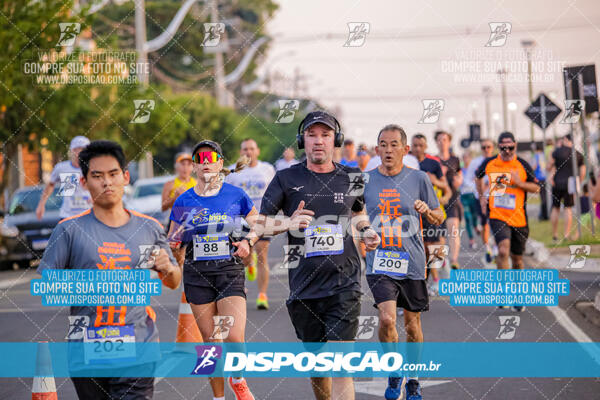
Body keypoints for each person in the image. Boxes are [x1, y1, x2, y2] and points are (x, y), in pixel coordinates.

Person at [38, 140, 182, 399]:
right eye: (97, 176)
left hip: (139, 345)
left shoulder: (148, 228)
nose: (107, 182)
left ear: (125, 177)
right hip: (86, 350)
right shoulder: (68, 230)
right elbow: (48, 285)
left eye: (113, 174)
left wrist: (168, 268)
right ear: (84, 183)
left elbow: (173, 282)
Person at [256, 111, 380, 400]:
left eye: (325, 135)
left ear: (335, 140)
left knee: (340, 365)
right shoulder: (285, 179)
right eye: (312, 135)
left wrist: (366, 231)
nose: (319, 141)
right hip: (304, 287)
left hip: (345, 283)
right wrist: (288, 222)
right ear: (303, 140)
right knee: (318, 366)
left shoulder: (352, 177)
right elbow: (259, 223)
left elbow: (358, 212)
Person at [168, 140, 256, 400]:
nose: (206, 161)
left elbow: (256, 222)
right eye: (200, 158)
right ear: (194, 166)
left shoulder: (236, 195)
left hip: (229, 270)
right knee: (210, 344)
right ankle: (218, 398)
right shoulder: (184, 200)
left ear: (220, 163)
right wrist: (175, 245)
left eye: (211, 157)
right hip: (198, 275)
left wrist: (247, 241)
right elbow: (174, 241)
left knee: (234, 336)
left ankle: (238, 379)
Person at [364, 125, 444, 400]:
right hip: (379, 261)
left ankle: (413, 378)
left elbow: (439, 215)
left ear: (405, 149)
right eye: (383, 145)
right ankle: (393, 370)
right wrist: (362, 232)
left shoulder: (419, 178)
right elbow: (352, 215)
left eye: (394, 144)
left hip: (411, 261)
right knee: (387, 319)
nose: (388, 150)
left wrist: (427, 210)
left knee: (412, 325)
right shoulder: (364, 181)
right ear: (377, 150)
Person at [476, 132, 539, 312]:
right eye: (503, 147)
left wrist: (519, 183)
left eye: (510, 147)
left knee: (517, 259)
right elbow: (477, 176)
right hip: (497, 215)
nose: (507, 151)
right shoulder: (490, 163)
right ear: (498, 147)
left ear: (515, 146)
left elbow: (536, 188)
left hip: (519, 218)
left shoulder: (522, 164)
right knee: (503, 250)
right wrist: (482, 196)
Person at [225, 138, 276, 310]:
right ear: (241, 152)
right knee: (243, 257)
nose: (248, 152)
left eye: (251, 149)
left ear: (257, 151)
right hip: (240, 220)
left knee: (263, 255)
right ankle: (249, 264)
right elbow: (226, 197)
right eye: (245, 149)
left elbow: (276, 192)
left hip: (262, 218)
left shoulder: (267, 169)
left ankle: (262, 295)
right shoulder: (233, 172)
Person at [411, 134, 451, 295]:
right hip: (415, 212)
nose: (418, 148)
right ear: (410, 147)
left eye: (421, 145)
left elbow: (446, 187)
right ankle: (432, 279)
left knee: (436, 248)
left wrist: (434, 182)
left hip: (434, 211)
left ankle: (438, 273)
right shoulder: (407, 163)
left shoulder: (433, 163)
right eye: (415, 145)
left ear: (426, 146)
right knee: (426, 248)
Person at [36, 136, 92, 220]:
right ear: (72, 150)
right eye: (79, 149)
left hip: (88, 214)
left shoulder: (93, 167)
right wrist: (41, 204)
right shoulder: (61, 167)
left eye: (85, 150)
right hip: (67, 215)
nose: (82, 152)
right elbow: (51, 185)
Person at [548, 134, 586, 242]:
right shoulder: (578, 154)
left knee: (555, 208)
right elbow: (582, 171)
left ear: (565, 139)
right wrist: (579, 182)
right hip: (570, 184)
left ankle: (555, 235)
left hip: (556, 183)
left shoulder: (556, 152)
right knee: (568, 208)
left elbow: (549, 166)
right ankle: (566, 234)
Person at [434, 130, 463, 270]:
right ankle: (441, 261)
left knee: (453, 229)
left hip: (453, 198)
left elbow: (460, 174)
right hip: (438, 200)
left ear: (449, 142)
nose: (442, 142)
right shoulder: (432, 160)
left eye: (445, 139)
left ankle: (454, 260)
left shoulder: (455, 159)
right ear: (436, 142)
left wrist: (459, 180)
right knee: (439, 233)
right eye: (439, 140)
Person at [469, 139, 496, 263]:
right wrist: (479, 187)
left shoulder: (497, 161)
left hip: (496, 198)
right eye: (484, 147)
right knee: (485, 224)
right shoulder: (475, 162)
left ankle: (496, 246)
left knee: (496, 223)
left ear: (493, 147)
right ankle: (488, 249)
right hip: (480, 198)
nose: (486, 149)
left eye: (488, 147)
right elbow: (468, 179)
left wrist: (489, 185)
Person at [460, 151, 479, 250]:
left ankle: (476, 226)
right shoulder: (460, 171)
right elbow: (458, 183)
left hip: (473, 196)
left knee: (474, 216)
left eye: (468, 158)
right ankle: (471, 240)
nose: (466, 160)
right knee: (467, 217)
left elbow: (478, 181)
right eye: (464, 158)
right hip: (464, 196)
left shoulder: (475, 171)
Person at [533, 143, 549, 220]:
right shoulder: (544, 155)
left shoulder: (537, 156)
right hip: (545, 177)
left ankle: (544, 215)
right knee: (545, 196)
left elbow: (534, 166)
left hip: (539, 178)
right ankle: (545, 213)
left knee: (543, 197)